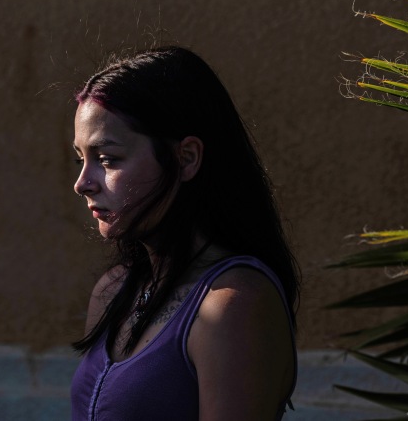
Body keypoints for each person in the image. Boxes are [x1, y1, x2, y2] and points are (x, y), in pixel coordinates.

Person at [69, 46, 299, 421]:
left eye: (107, 159)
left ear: (186, 158)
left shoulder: (234, 303)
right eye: (81, 159)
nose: (82, 184)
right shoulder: (113, 290)